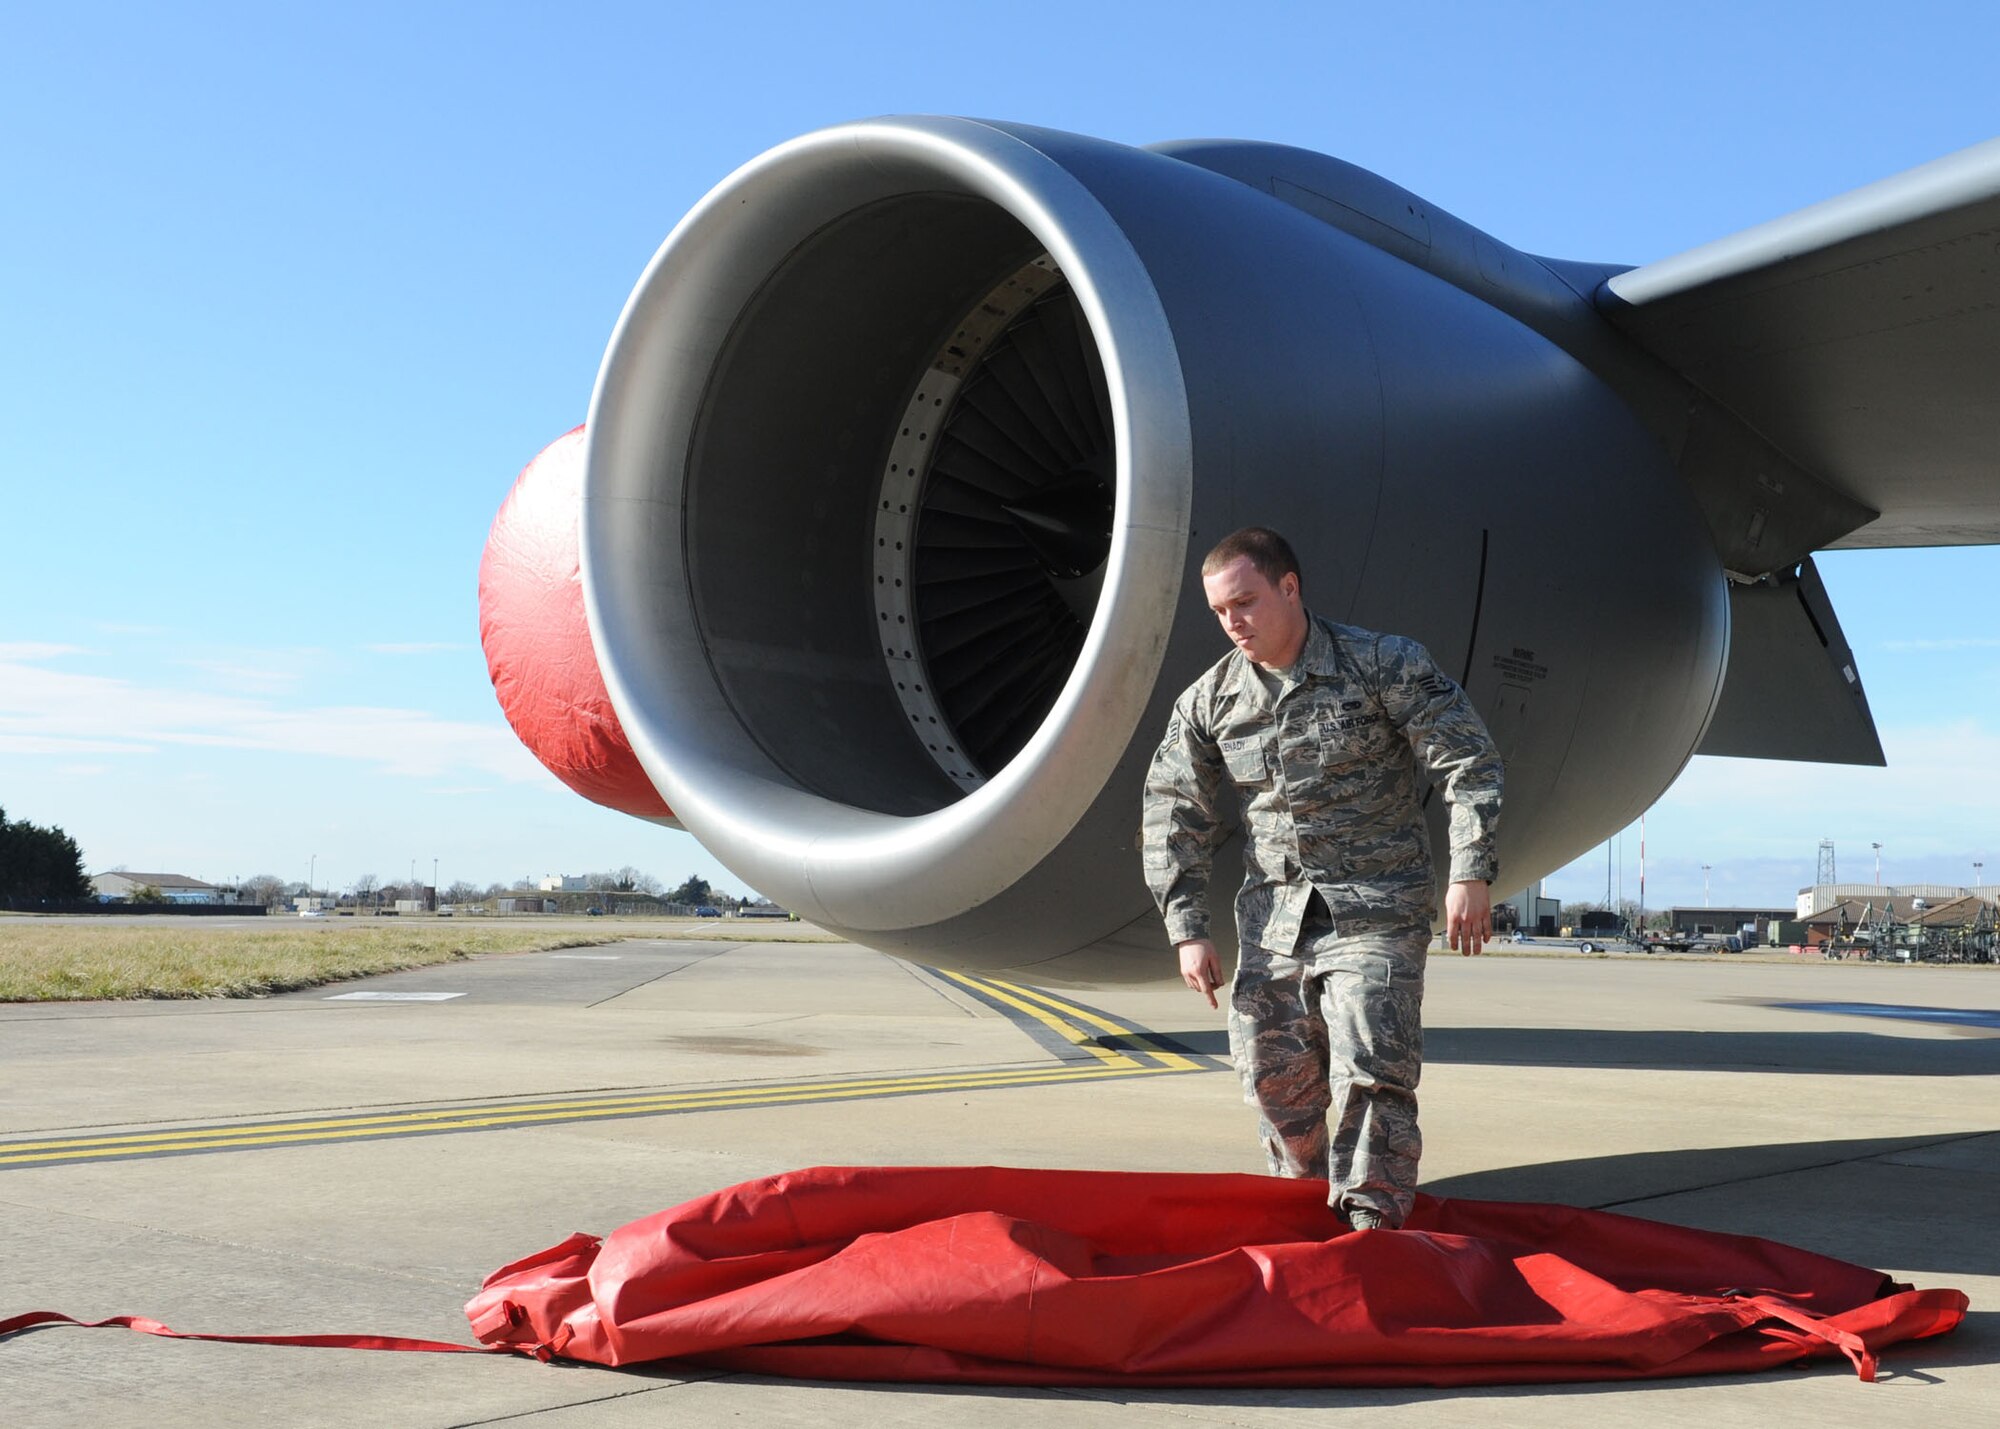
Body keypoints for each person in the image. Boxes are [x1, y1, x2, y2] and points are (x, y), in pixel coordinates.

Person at [1141, 527, 1503, 1231]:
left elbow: (1468, 759)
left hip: (1377, 908)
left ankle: (1373, 1234)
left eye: (1244, 601)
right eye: (1219, 611)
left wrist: (1472, 869)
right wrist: (1186, 928)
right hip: (1274, 921)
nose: (1232, 621)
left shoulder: (1381, 663)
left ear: (1289, 587)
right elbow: (1171, 812)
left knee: (1372, 1069)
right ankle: (1303, 1221)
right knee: (1273, 1082)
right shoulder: (1211, 699)